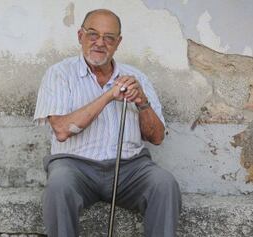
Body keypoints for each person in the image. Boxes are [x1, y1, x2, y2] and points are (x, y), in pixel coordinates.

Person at [33, 9, 181, 237]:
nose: (100, 43)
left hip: (130, 168)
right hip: (75, 167)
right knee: (58, 185)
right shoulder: (59, 74)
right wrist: (109, 96)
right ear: (80, 36)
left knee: (164, 184)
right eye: (93, 34)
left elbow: (157, 137)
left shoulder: (137, 77)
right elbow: (62, 130)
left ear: (118, 43)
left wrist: (142, 102)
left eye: (109, 37)